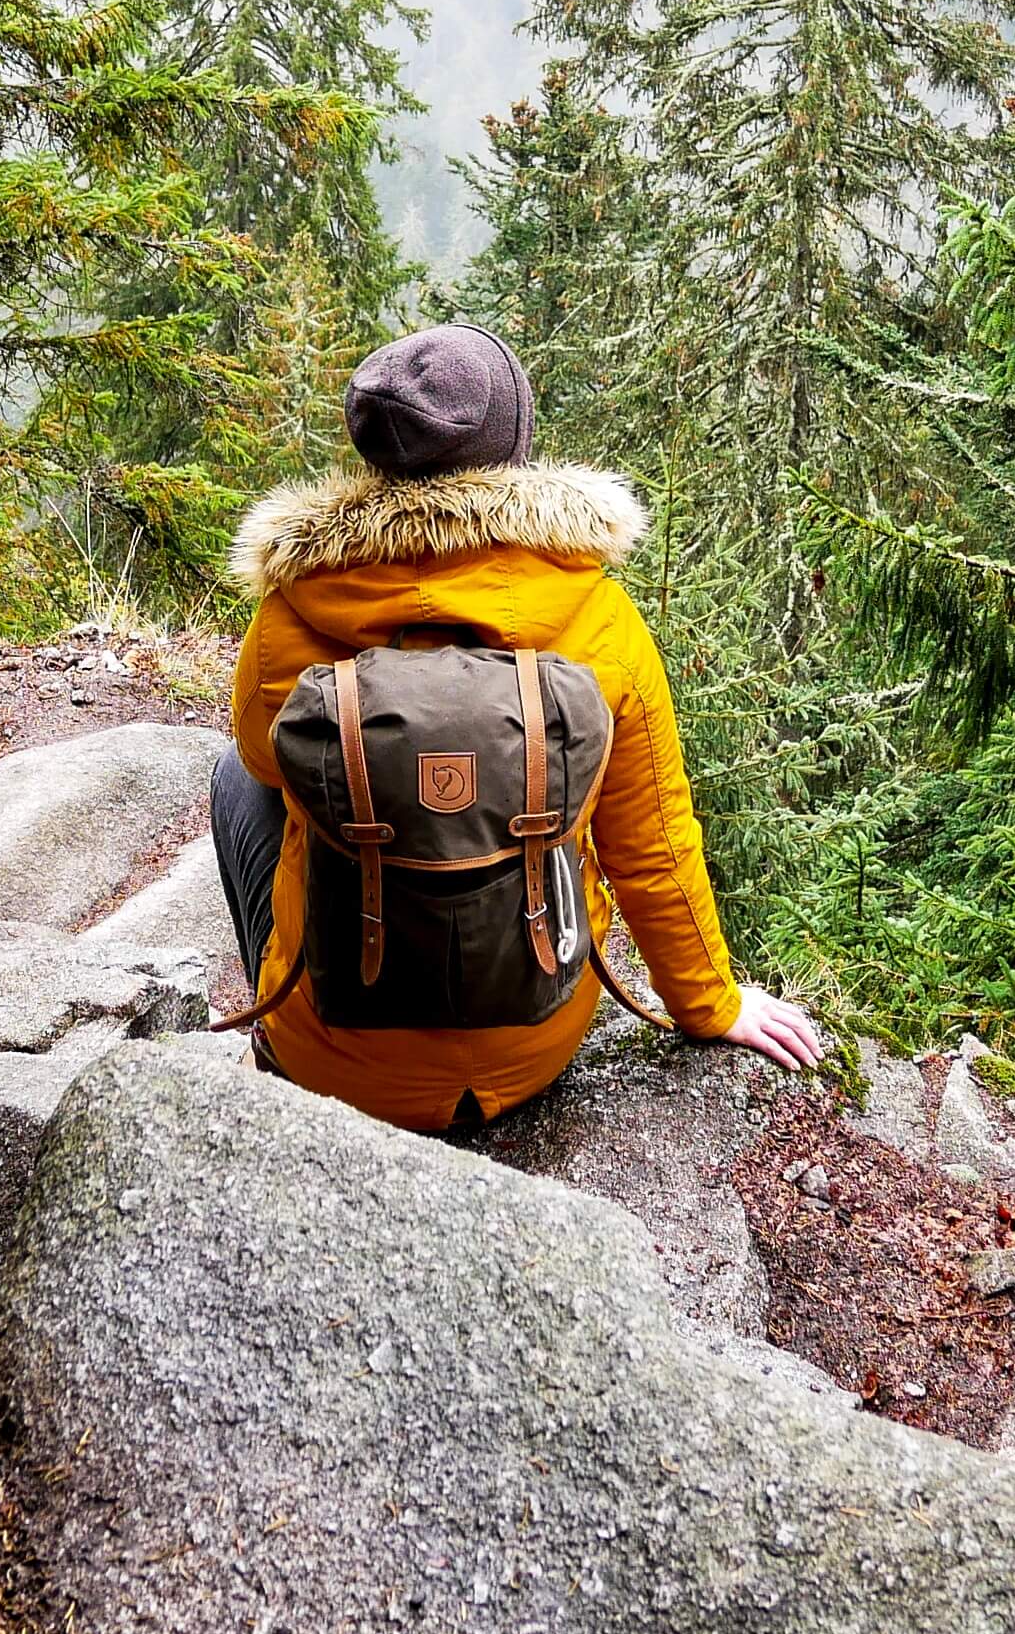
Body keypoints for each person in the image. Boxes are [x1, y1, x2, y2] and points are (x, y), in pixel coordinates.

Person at [212, 321, 829, 1130]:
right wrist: (710, 1005)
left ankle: (275, 1030)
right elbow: (650, 841)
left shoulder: (292, 609)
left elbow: (266, 760)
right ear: (515, 445)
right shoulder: (596, 610)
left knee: (235, 777)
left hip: (338, 1063)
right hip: (537, 1038)